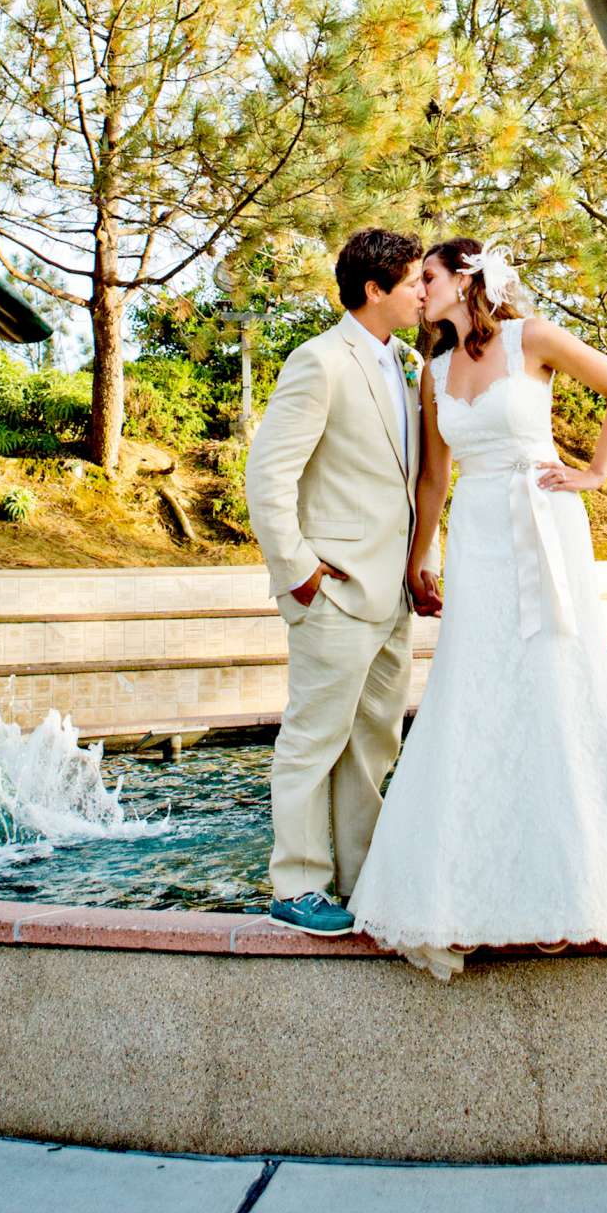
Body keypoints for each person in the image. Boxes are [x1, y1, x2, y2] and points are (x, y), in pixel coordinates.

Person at [349, 235, 607, 977]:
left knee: (556, 676)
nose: (419, 290)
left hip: (544, 521)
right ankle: (468, 892)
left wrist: (597, 472)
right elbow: (432, 480)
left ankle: (579, 890)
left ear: (465, 280)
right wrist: (421, 558)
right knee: (474, 688)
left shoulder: (531, 338)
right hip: (477, 530)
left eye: (428, 276)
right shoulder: (433, 371)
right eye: (415, 280)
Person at [242, 226, 438, 935]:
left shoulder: (410, 364)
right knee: (312, 740)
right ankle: (296, 884)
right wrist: (298, 574)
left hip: (393, 595)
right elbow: (268, 476)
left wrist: (423, 563)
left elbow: (417, 482)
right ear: (373, 289)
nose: (425, 292)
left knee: (373, 742)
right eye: (414, 281)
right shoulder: (318, 361)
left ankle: (358, 881)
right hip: (333, 588)